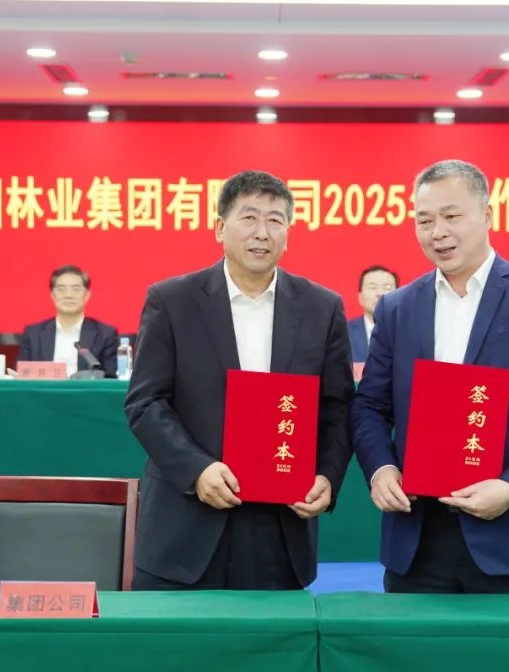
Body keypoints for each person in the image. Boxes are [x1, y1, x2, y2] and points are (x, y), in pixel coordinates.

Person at [350, 159, 509, 594]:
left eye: (451, 216)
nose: (437, 232)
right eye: (425, 221)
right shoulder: (397, 308)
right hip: (417, 539)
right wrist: (381, 469)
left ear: (488, 214)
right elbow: (370, 405)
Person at [125, 170, 353, 591]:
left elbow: (337, 406)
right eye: (249, 217)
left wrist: (327, 476)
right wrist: (197, 470)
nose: (262, 232)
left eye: (275, 220)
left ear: (288, 233)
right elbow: (145, 402)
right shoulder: (171, 301)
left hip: (280, 527)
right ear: (219, 227)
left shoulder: (322, 308)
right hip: (185, 525)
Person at [18, 265, 119, 378]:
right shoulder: (33, 334)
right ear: (53, 295)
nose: (68, 295)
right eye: (61, 289)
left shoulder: (105, 334)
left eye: (76, 289)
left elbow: (110, 377)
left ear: (87, 295)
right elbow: (22, 375)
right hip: (44, 389)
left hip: (85, 390)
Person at [347, 265, 399, 363]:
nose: (379, 293)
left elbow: (427, 369)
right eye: (372, 287)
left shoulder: (414, 332)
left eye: (387, 287)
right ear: (360, 297)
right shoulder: (344, 332)